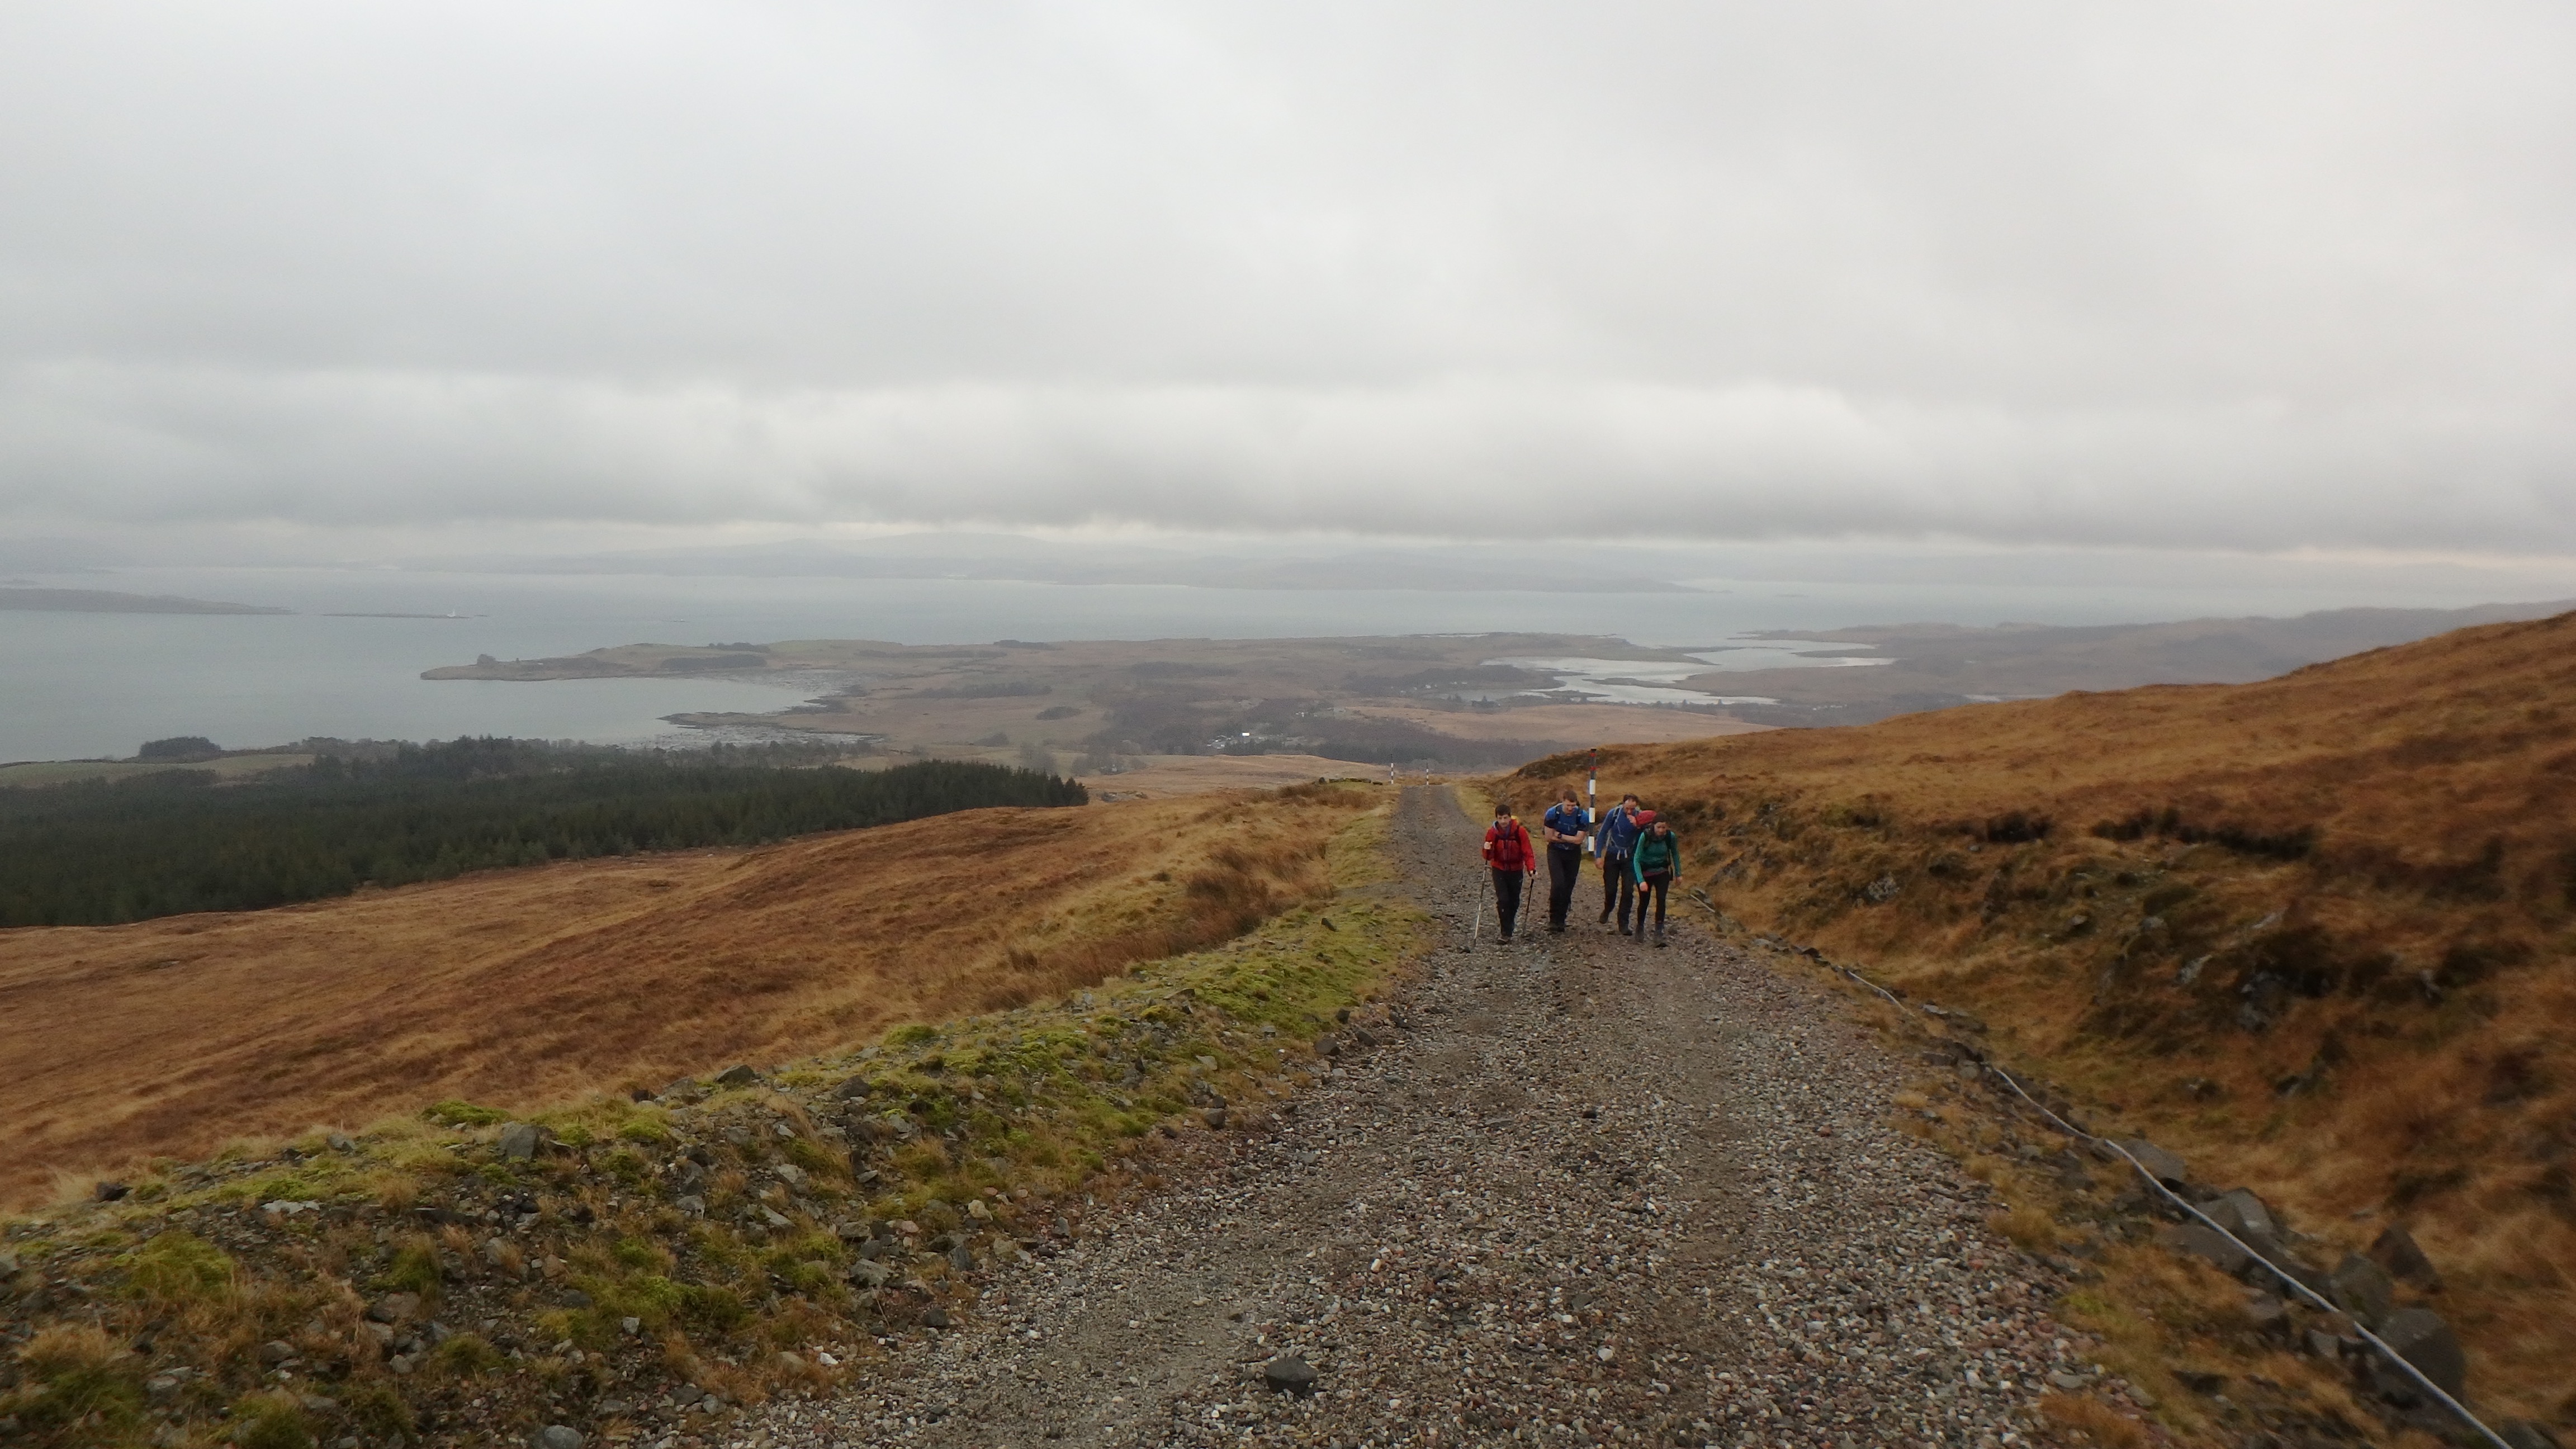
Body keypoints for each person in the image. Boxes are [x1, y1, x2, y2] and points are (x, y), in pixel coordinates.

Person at [1481, 799, 1538, 941]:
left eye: (1505, 818)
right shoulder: (1492, 833)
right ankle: (1505, 932)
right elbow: (1488, 856)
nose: (1503, 821)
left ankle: (1510, 924)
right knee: (1503, 900)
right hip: (1499, 869)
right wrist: (1486, 849)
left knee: (1514, 901)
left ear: (1510, 817)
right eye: (1500, 818)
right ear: (1496, 818)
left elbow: (1528, 852)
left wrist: (1531, 869)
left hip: (1516, 870)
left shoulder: (1520, 832)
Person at [1540, 788, 1589, 932]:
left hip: (1573, 854)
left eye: (1573, 806)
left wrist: (1561, 836)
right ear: (1563, 802)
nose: (1570, 809)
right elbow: (1549, 837)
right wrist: (1570, 839)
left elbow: (1579, 840)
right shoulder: (1552, 813)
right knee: (1558, 884)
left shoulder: (1582, 816)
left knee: (1568, 887)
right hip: (1555, 852)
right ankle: (1553, 918)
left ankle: (1561, 920)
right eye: (1568, 805)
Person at [1630, 811, 1680, 946]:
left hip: (1662, 872)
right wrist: (1641, 880)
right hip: (1646, 872)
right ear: (1653, 826)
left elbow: (1675, 854)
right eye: (1659, 827)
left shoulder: (1670, 837)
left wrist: (1678, 873)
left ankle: (1659, 932)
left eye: (1664, 827)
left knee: (1661, 900)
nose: (1662, 830)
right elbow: (1636, 859)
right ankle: (1640, 927)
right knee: (1644, 901)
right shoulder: (1645, 836)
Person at [1595, 793, 1643, 931]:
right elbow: (1603, 833)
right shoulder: (1614, 814)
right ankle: (1608, 908)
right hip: (1612, 855)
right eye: (1627, 808)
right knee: (1611, 889)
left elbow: (1644, 836)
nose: (1630, 811)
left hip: (1629, 857)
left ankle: (1623, 923)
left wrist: (1638, 825)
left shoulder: (1639, 817)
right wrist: (1598, 856)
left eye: (1632, 809)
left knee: (1628, 890)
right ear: (1623, 804)